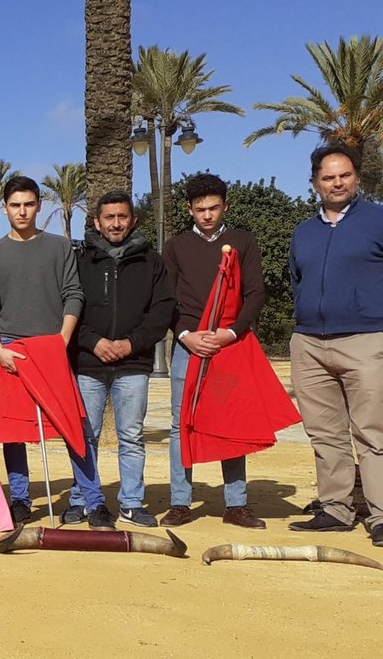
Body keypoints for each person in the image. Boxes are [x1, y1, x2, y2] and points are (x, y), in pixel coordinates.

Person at [0, 176, 104, 526]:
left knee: (73, 425)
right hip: (11, 351)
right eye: (15, 205)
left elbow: (73, 294)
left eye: (29, 204)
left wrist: (60, 341)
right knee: (13, 432)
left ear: (38, 206)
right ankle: (20, 500)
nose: (22, 211)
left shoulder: (59, 247)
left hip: (52, 349)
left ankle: (94, 501)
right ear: (5, 209)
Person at [288, 144, 383, 545]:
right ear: (315, 183)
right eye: (328, 177)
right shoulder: (304, 231)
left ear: (357, 178)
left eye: (344, 175)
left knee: (373, 433)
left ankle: (380, 516)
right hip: (309, 342)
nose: (337, 183)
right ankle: (335, 508)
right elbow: (296, 279)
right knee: (324, 434)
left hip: (366, 339)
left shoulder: (378, 220)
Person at [159, 173, 266, 530]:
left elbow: (255, 294)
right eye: (200, 209)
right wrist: (185, 334)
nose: (207, 215)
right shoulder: (175, 246)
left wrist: (231, 333)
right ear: (190, 209)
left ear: (225, 206)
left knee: (229, 421)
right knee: (180, 424)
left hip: (227, 345)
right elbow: (166, 299)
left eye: (214, 208)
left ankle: (236, 504)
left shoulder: (243, 241)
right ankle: (180, 502)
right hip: (188, 347)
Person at [68, 191, 174, 528]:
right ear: (97, 222)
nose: (116, 223)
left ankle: (131, 503)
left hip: (133, 364)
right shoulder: (79, 260)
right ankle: (83, 500)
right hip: (88, 362)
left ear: (133, 220)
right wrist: (93, 342)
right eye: (109, 217)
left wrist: (131, 344)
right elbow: (69, 307)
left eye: (122, 216)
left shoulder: (152, 262)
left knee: (131, 436)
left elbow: (161, 311)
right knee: (85, 435)